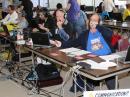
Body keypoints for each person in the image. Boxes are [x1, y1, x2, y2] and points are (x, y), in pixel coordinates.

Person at [51, 13, 116, 91]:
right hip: (92, 59)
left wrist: (98, 26)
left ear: (99, 22)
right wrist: (61, 44)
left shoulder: (102, 31)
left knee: (111, 79)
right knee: (86, 77)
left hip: (106, 58)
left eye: (95, 20)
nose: (93, 22)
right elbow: (74, 42)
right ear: (88, 22)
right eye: (91, 20)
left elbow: (110, 34)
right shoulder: (85, 34)